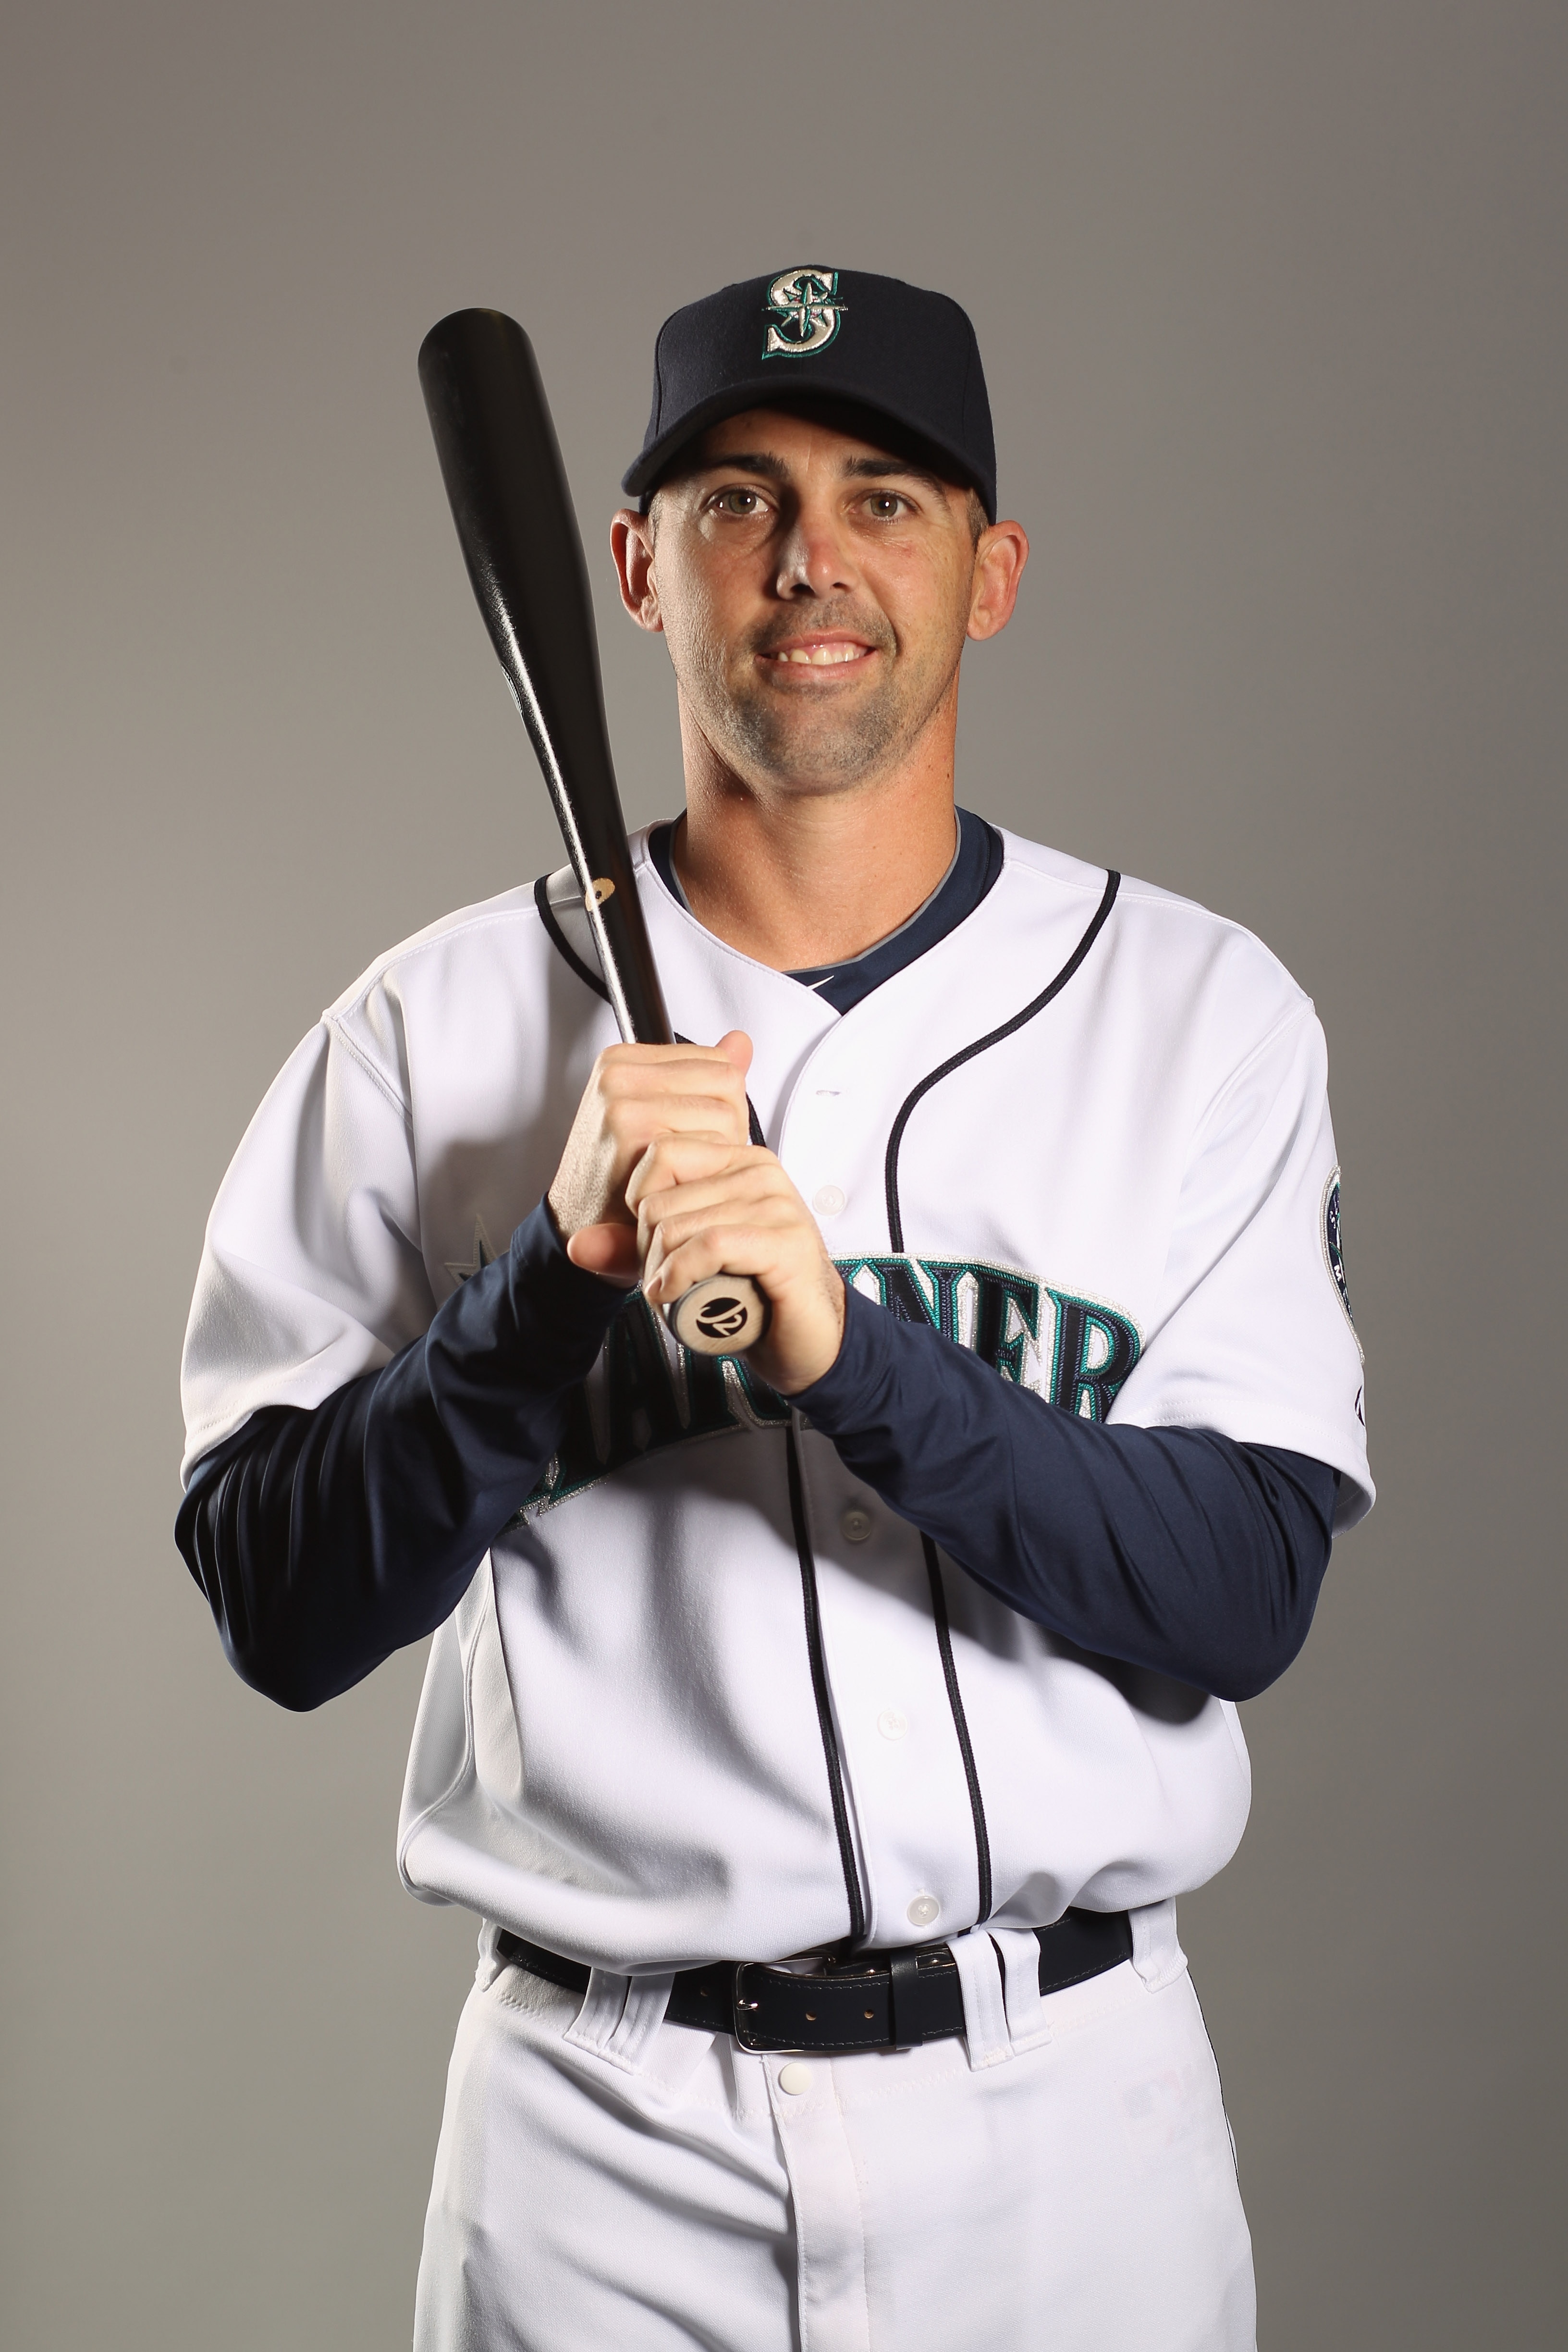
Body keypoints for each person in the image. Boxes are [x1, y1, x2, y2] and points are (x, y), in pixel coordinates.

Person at [177, 265, 1372, 2351]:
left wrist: (853, 1356)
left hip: (1069, 2122)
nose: (813, 558)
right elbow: (277, 1607)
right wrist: (542, 1289)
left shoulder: (1201, 1013)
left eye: (885, 496)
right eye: (738, 499)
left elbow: (1244, 1589)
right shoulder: (426, 1031)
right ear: (635, 567)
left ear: (989, 573)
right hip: (599, 2139)